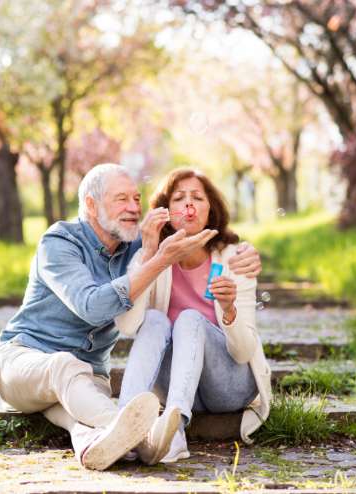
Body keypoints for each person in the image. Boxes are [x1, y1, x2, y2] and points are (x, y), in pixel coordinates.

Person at [0, 163, 262, 470]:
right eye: (122, 199)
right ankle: (142, 434)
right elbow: (92, 307)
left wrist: (246, 251)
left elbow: (174, 240)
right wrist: (156, 259)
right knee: (64, 367)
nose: (134, 208)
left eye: (136, 199)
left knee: (80, 424)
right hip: (23, 360)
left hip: (89, 378)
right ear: (91, 205)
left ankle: (99, 449)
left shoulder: (136, 245)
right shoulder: (60, 242)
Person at [115, 168, 272, 465]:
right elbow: (127, 324)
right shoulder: (150, 257)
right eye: (179, 198)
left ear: (209, 210)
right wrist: (149, 254)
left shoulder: (235, 258)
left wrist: (229, 311)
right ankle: (125, 427)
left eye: (197, 197)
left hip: (227, 385)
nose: (189, 204)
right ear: (165, 212)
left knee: (189, 319)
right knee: (154, 319)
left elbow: (243, 352)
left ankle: (174, 432)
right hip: (177, 382)